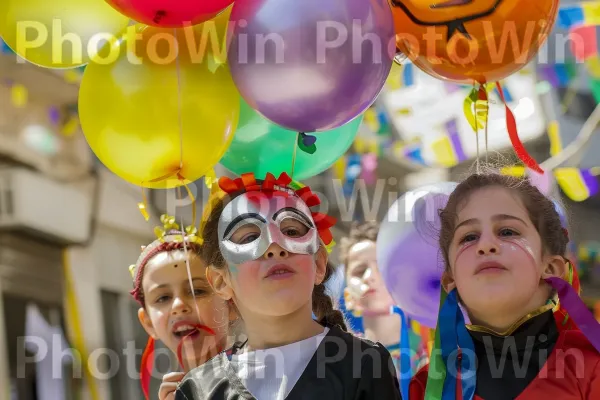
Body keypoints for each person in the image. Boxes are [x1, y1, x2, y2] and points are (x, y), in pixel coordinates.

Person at [175, 172, 402, 400]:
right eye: (249, 238)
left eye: (291, 231)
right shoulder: (199, 389)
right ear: (220, 280)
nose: (275, 246)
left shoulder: (364, 364)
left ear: (319, 264)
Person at [409, 173, 600, 399]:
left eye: (508, 232)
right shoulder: (429, 388)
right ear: (451, 282)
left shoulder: (592, 363)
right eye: (469, 237)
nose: (486, 245)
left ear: (551, 268)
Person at [130, 214, 236, 400]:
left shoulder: (265, 377)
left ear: (231, 304)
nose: (178, 306)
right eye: (163, 298)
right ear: (148, 323)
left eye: (197, 291)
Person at [340, 221, 429, 375]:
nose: (370, 277)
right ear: (348, 298)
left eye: (382, 267)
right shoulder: (342, 361)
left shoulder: (433, 353)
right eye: (360, 271)